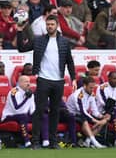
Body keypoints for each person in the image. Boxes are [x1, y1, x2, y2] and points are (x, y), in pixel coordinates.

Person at [16, 14, 77, 149]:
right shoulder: (38, 40)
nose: (49, 27)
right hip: (43, 79)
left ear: (57, 25)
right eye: (48, 24)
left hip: (59, 81)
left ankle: (53, 142)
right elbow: (21, 48)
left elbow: (69, 62)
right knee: (39, 111)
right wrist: (19, 31)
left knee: (55, 112)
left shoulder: (64, 42)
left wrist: (73, 78)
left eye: (52, 24)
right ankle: (36, 142)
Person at [66, 77, 107, 148]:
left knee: (103, 121)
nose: (92, 90)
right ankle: (95, 143)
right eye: (90, 88)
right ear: (84, 86)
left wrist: (102, 117)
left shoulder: (92, 94)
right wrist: (95, 121)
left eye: (93, 88)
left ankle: (87, 141)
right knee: (84, 120)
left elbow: (95, 111)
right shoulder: (78, 95)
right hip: (72, 115)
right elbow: (82, 111)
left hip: (82, 115)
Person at [1, 75, 35, 148]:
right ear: (20, 83)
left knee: (42, 116)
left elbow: (32, 109)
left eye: (29, 82)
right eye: (26, 82)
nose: (28, 84)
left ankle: (42, 140)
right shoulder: (13, 92)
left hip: (23, 115)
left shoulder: (30, 92)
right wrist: (26, 98)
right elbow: (16, 109)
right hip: (10, 115)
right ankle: (27, 141)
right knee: (23, 116)